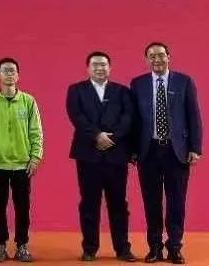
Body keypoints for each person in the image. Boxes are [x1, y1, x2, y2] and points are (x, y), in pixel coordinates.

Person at [131, 42, 203, 264]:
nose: (157, 60)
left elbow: (193, 116)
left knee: (176, 201)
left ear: (169, 57)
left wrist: (195, 148)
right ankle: (154, 248)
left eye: (161, 55)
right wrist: (132, 150)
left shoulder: (184, 81)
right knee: (151, 202)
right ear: (146, 60)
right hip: (148, 151)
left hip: (176, 151)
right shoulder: (138, 84)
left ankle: (174, 247)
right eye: (152, 56)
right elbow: (133, 120)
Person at [66, 51, 136, 262]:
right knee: (89, 203)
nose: (100, 68)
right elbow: (76, 116)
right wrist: (97, 135)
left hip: (116, 154)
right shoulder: (76, 90)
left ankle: (122, 249)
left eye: (104, 64)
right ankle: (89, 248)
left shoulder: (122, 91)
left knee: (119, 204)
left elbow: (128, 117)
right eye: (95, 65)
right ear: (88, 68)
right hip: (88, 155)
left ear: (110, 67)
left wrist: (113, 138)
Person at [0, 57, 43, 263]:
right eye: (5, 70)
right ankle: (0, 246)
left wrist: (35, 157)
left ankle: (22, 246)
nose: (9, 74)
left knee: (22, 208)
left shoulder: (28, 101)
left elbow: (36, 132)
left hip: (23, 165)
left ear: (18, 75)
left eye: (12, 70)